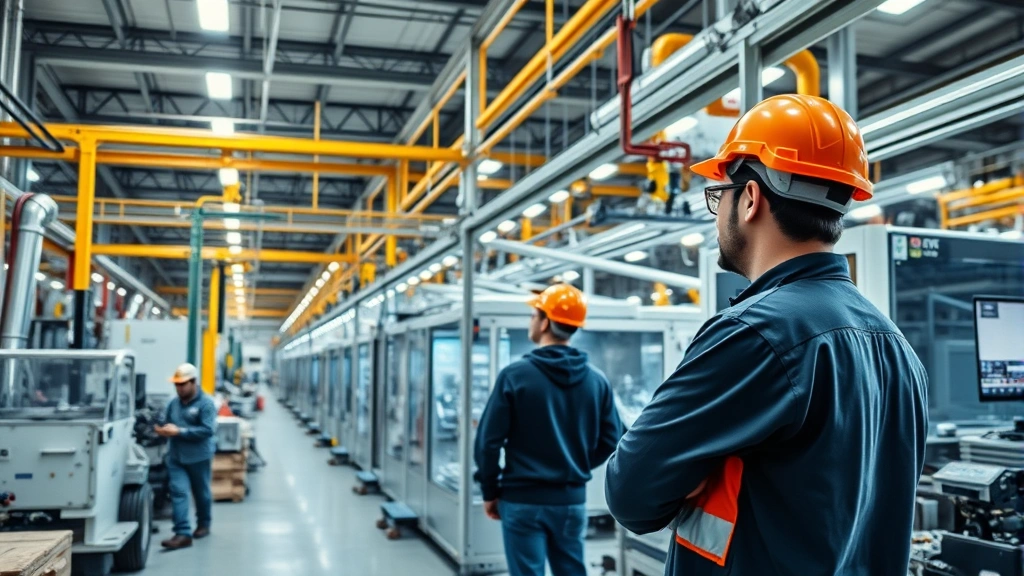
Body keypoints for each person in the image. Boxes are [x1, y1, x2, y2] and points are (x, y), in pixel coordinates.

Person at [605, 94, 929, 575]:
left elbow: (630, 492)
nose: (717, 216)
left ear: (751, 199)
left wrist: (699, 474)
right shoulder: (900, 351)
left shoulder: (753, 334)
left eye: (719, 196)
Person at [474, 284, 624, 576]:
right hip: (570, 501)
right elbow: (612, 439)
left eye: (533, 315)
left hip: (522, 500)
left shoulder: (515, 376)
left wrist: (490, 491)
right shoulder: (597, 381)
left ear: (544, 322)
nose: (531, 321)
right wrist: (577, 463)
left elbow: (488, 442)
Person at [155, 362, 217, 550]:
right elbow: (167, 422)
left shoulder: (206, 403)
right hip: (176, 457)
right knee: (179, 492)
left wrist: (180, 432)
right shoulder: (173, 404)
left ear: (193, 382)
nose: (179, 388)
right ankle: (182, 533)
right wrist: (162, 429)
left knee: (201, 493)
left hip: (199, 457)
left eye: (183, 384)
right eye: (176, 385)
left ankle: (204, 523)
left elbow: (207, 430)